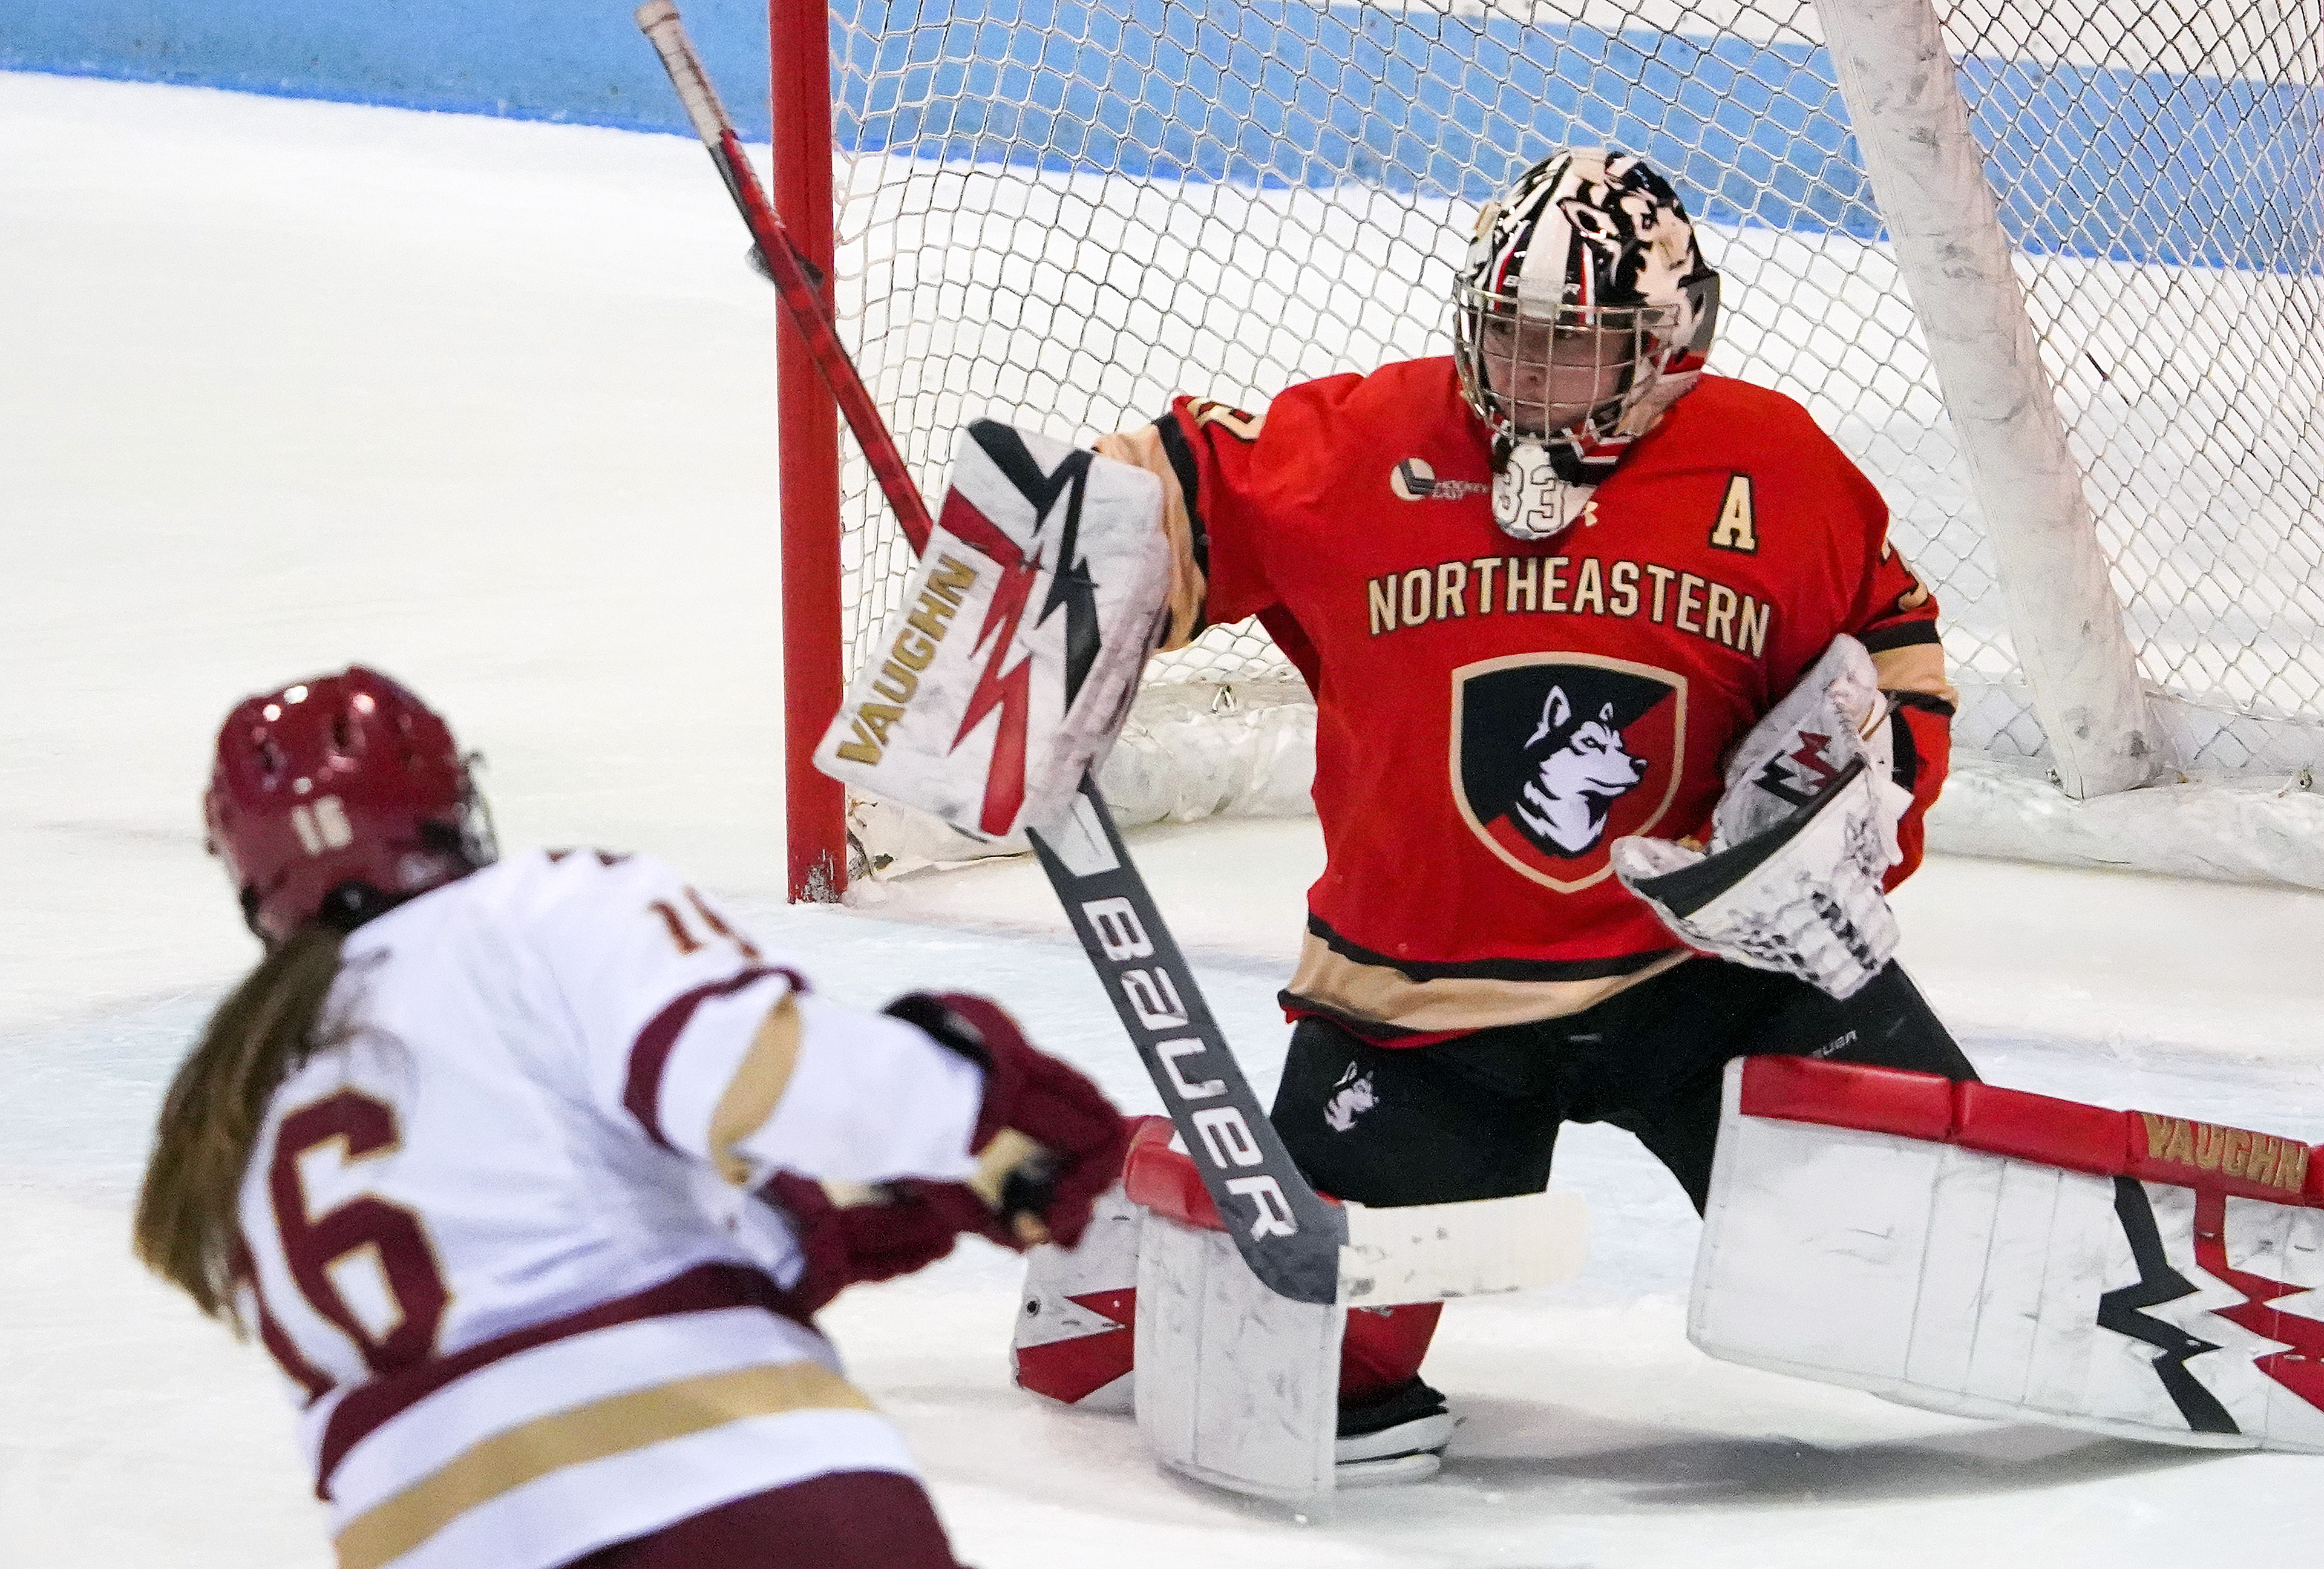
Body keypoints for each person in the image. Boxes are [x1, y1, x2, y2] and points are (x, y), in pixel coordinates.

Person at [1087, 149, 1979, 1468]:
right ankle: (1103, 1229)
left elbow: (1888, 639)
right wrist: (1044, 587)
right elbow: (1176, 485)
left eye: (1576, 348)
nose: (1525, 377)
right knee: (1302, 1385)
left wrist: (1864, 809)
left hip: (1710, 975)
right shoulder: (1373, 444)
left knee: (1948, 1274)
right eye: (1507, 337)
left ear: (1671, 342)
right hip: (1420, 1005)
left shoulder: (1773, 467)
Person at [134, 666, 1131, 1569]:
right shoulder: (532, 914)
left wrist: (797, 1224)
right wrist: (975, 1101)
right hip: (736, 1498)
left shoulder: (232, 1102)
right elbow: (764, 1076)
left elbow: (510, 1292)